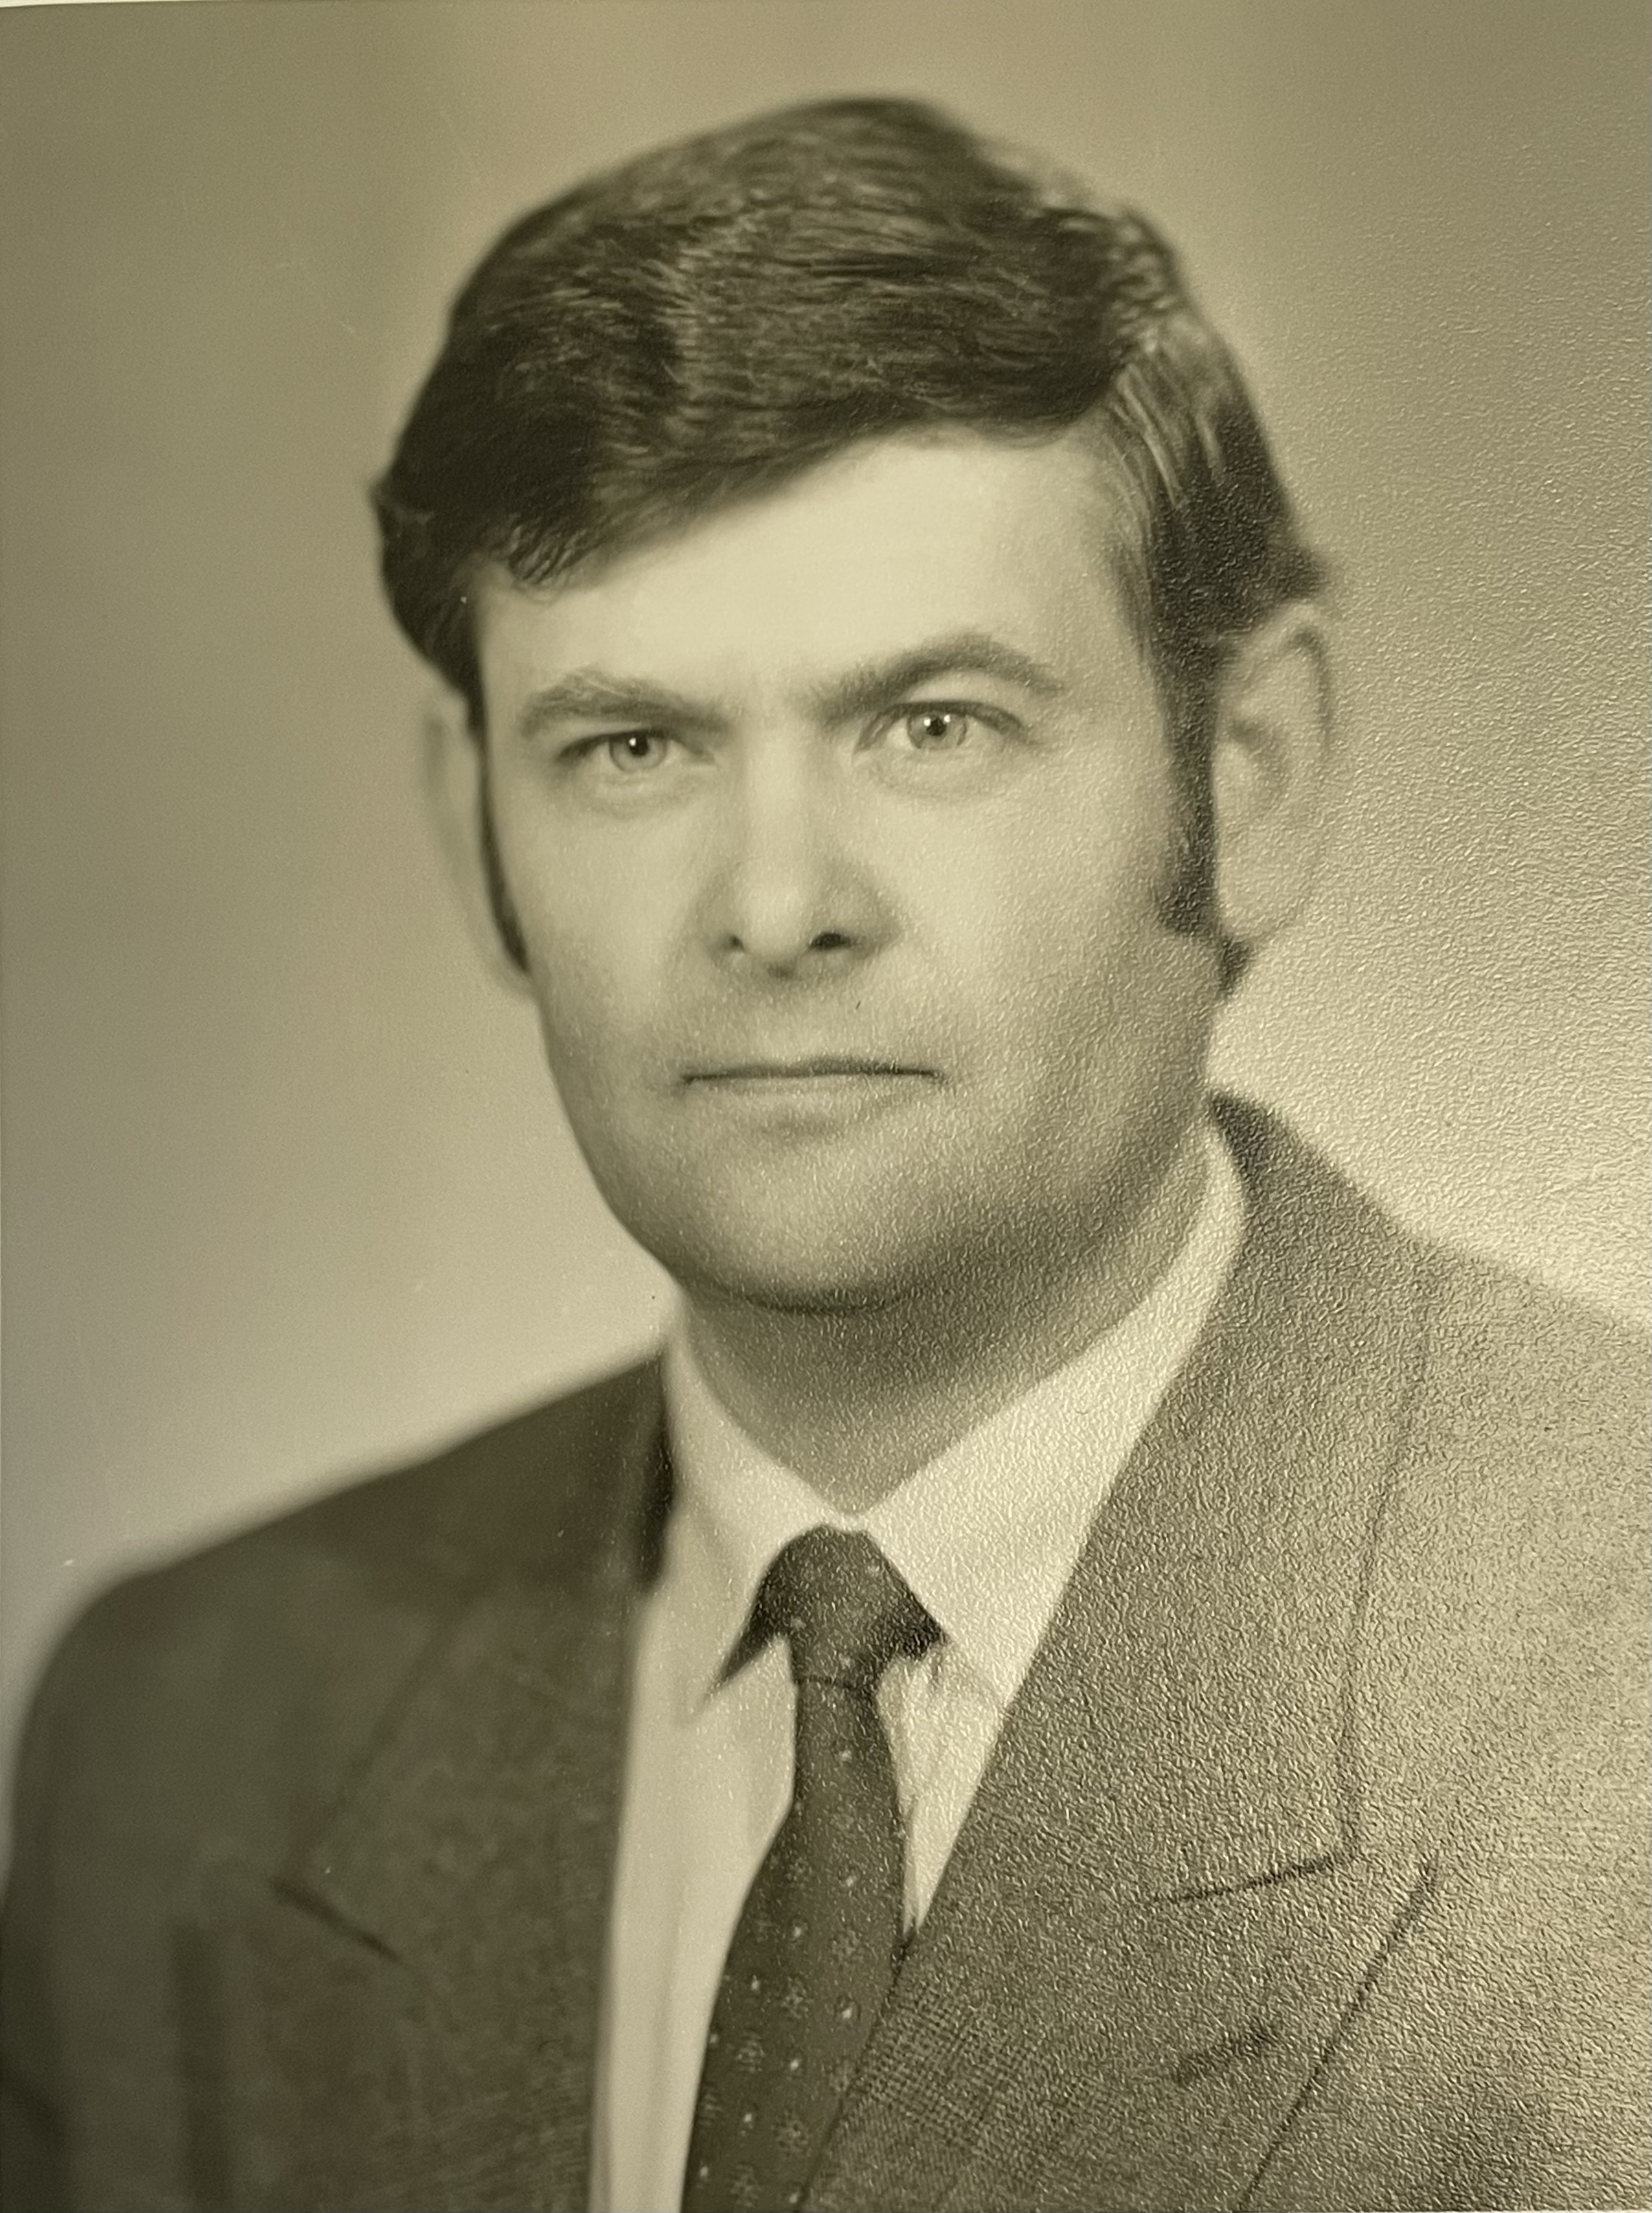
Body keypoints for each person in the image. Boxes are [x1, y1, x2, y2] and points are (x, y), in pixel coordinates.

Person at [1, 96, 1644, 2213]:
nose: (776, 905)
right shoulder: (183, 1741)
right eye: (632, 747)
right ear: (476, 830)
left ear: (1250, 773)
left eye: (933, 724)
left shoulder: (1612, 1668)